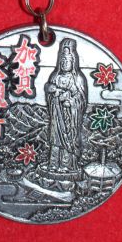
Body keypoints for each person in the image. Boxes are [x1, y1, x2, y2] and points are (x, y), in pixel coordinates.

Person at [45, 38, 88, 171]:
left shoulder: (78, 79)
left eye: (67, 61)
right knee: (55, 140)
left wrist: (71, 102)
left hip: (70, 117)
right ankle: (53, 164)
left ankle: (66, 165)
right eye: (62, 61)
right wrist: (53, 92)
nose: (64, 63)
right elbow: (49, 92)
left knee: (67, 140)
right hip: (56, 115)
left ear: (73, 62)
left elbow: (82, 99)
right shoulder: (55, 76)